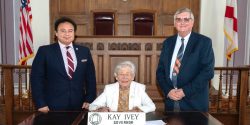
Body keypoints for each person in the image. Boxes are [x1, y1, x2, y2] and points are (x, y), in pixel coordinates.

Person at [31, 17, 96, 113]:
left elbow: (90, 78)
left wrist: (89, 99)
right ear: (56, 33)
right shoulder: (45, 51)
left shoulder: (84, 51)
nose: (67, 34)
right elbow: (36, 79)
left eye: (70, 31)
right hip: (51, 106)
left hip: (80, 105)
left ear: (74, 33)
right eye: (63, 31)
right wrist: (40, 103)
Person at [156, 8, 214, 112]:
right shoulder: (168, 43)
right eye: (178, 19)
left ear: (192, 22)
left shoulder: (204, 42)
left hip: (194, 103)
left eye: (186, 19)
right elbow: (160, 71)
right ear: (174, 23)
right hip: (171, 102)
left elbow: (207, 72)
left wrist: (185, 91)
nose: (182, 22)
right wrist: (168, 91)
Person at [89, 61, 156, 113]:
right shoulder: (109, 89)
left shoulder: (139, 88)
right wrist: (101, 109)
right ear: (116, 77)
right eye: (121, 74)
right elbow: (92, 106)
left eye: (127, 74)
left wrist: (138, 110)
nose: (124, 77)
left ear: (133, 77)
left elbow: (152, 106)